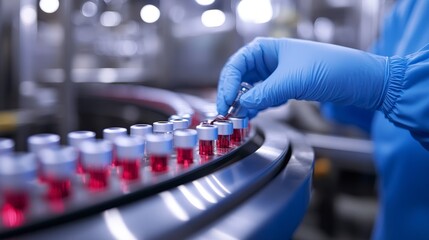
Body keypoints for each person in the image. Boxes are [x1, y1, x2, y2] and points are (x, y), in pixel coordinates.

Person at [216, 0, 429, 239]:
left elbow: (381, 86)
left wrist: (384, 83)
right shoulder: (411, 7)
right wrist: (318, 91)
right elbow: (377, 113)